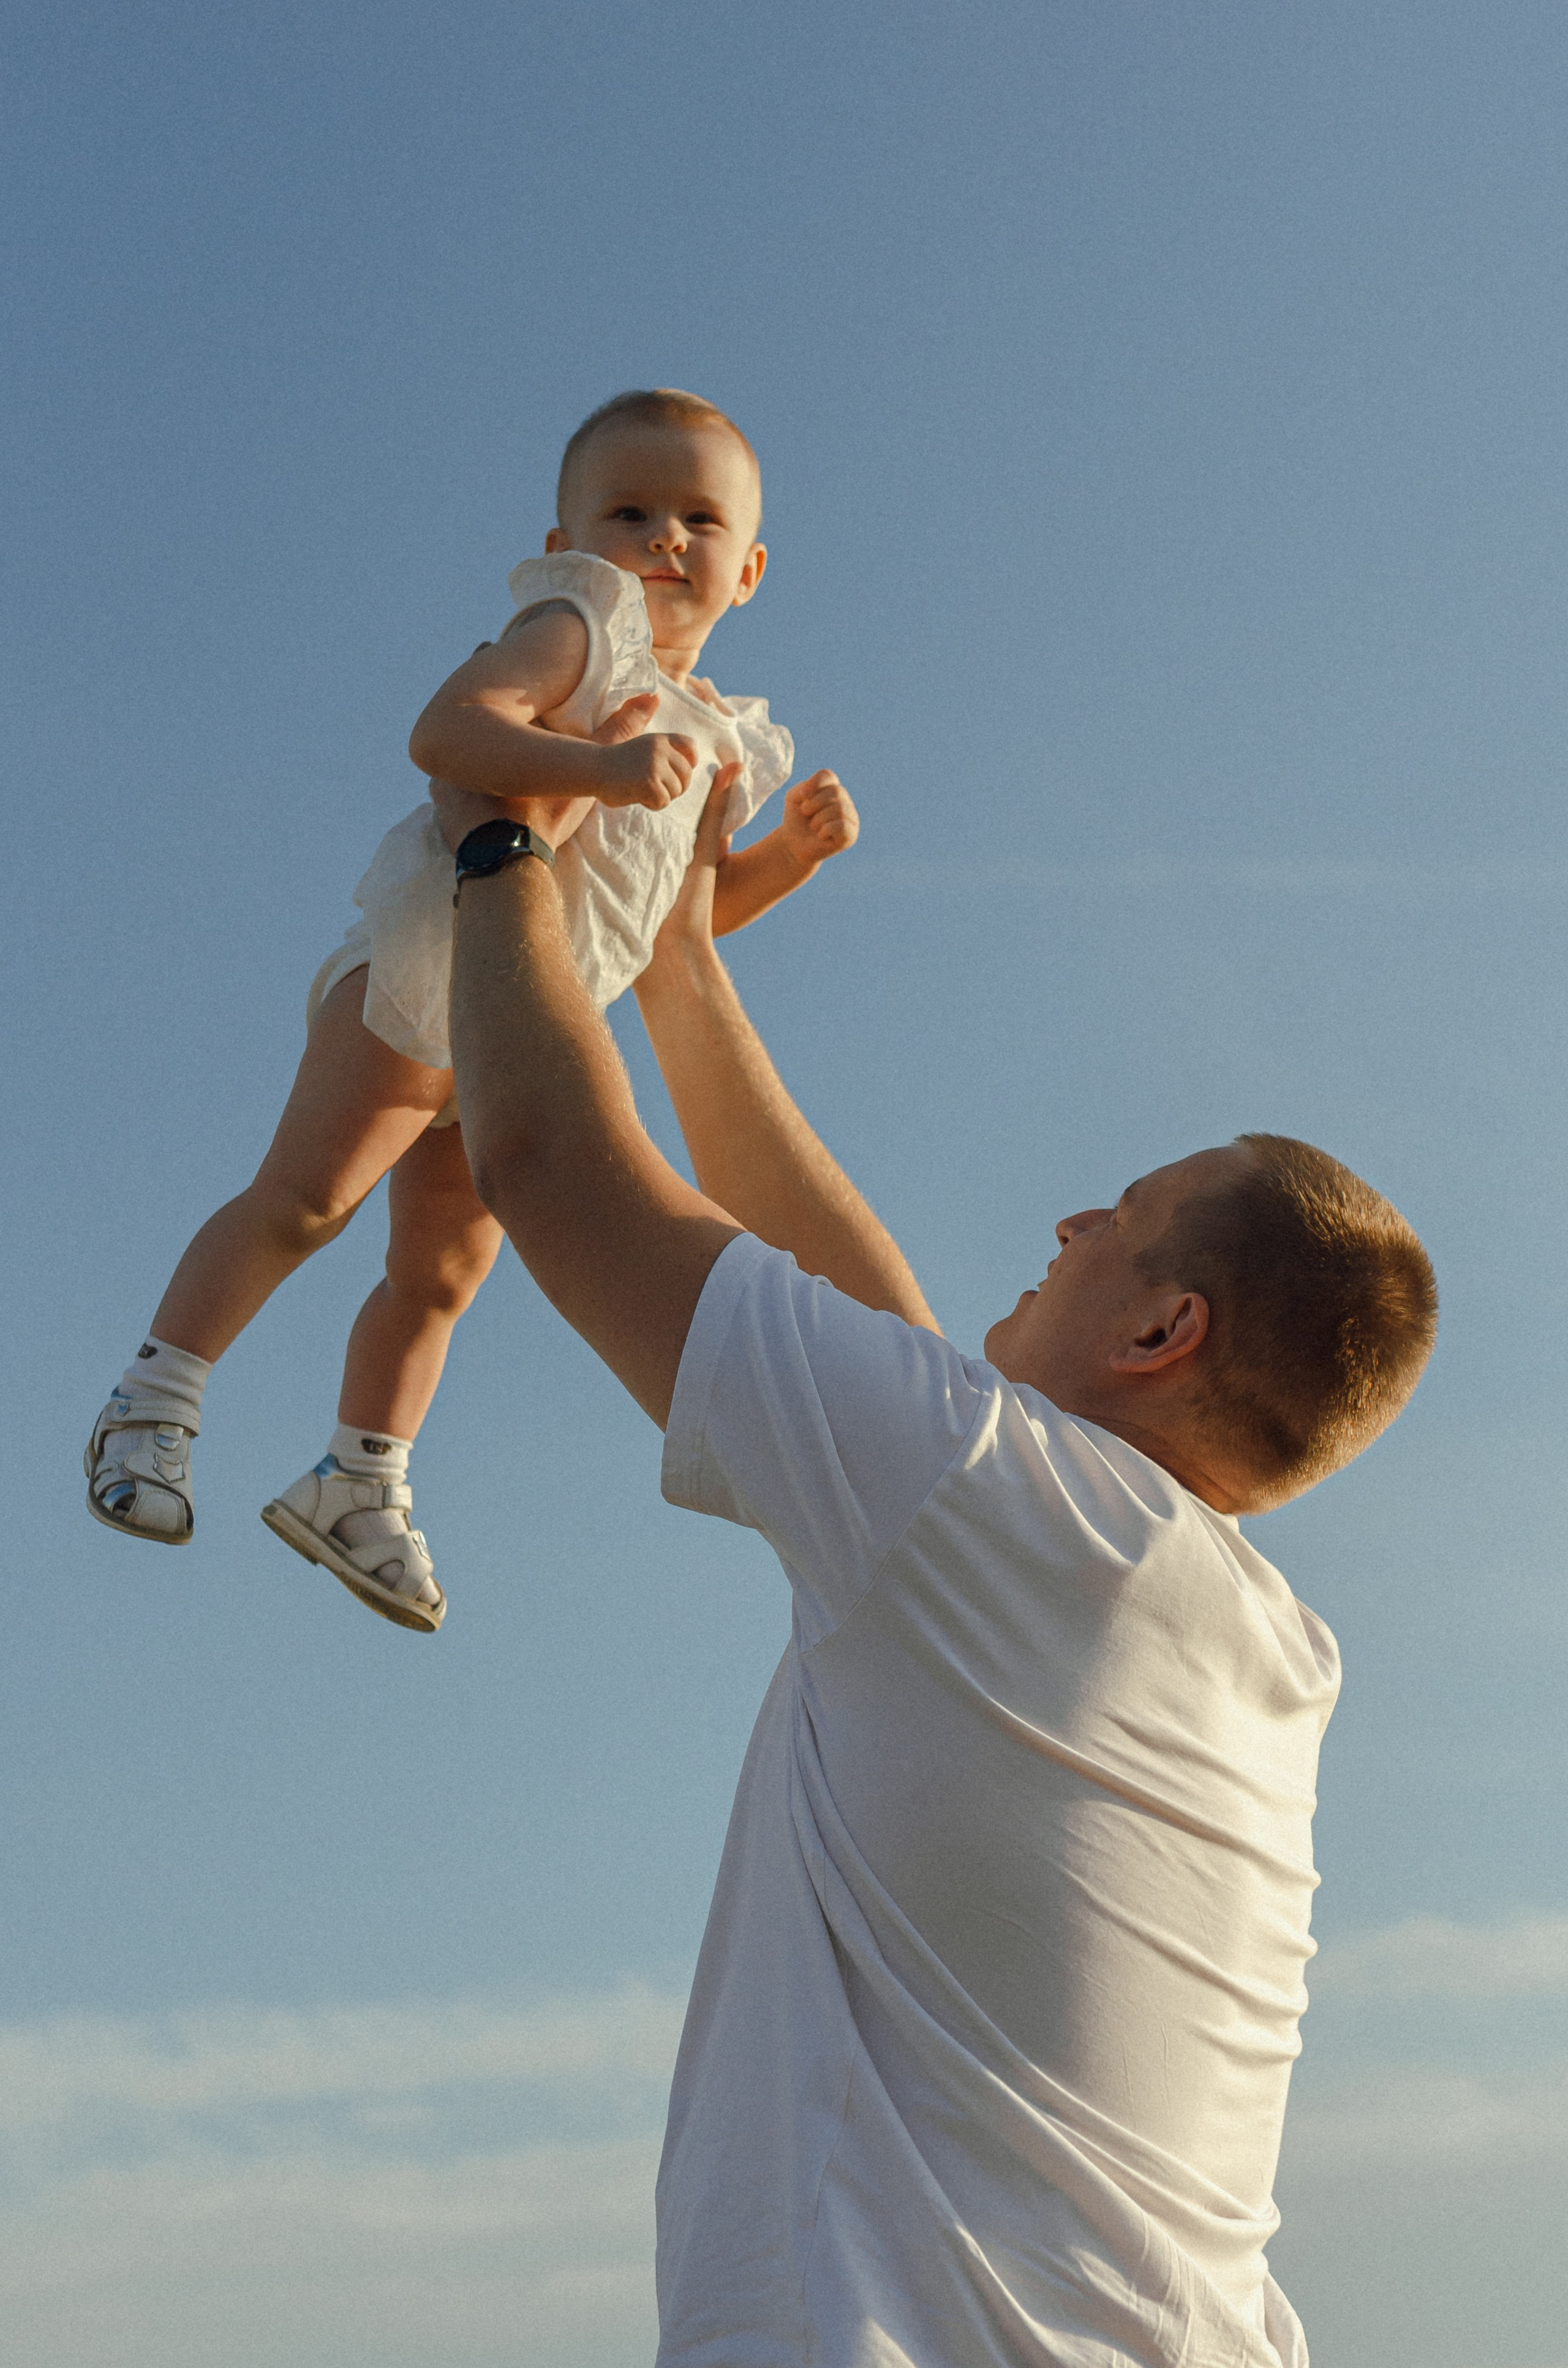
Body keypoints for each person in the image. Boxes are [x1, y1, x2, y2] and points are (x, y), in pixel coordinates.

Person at [428, 770, 1438, 2367]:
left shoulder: (985, 1507)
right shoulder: (1235, 1631)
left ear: (1161, 1330)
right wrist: (682, 959)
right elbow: (877, 1331)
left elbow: (550, 1161)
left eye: (1129, 1212)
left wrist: (492, 836)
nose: (1074, 1215)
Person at [84, 388, 857, 1633]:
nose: (664, 538)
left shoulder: (722, 740)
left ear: (750, 568)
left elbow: (677, 932)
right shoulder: (576, 629)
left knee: (440, 1273)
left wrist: (792, 862)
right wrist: (597, 766)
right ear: (565, 541)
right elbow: (447, 732)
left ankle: (359, 1479)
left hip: (518, 1031)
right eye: (629, 510)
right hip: (425, 971)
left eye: (698, 519)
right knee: (308, 1198)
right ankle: (156, 1397)